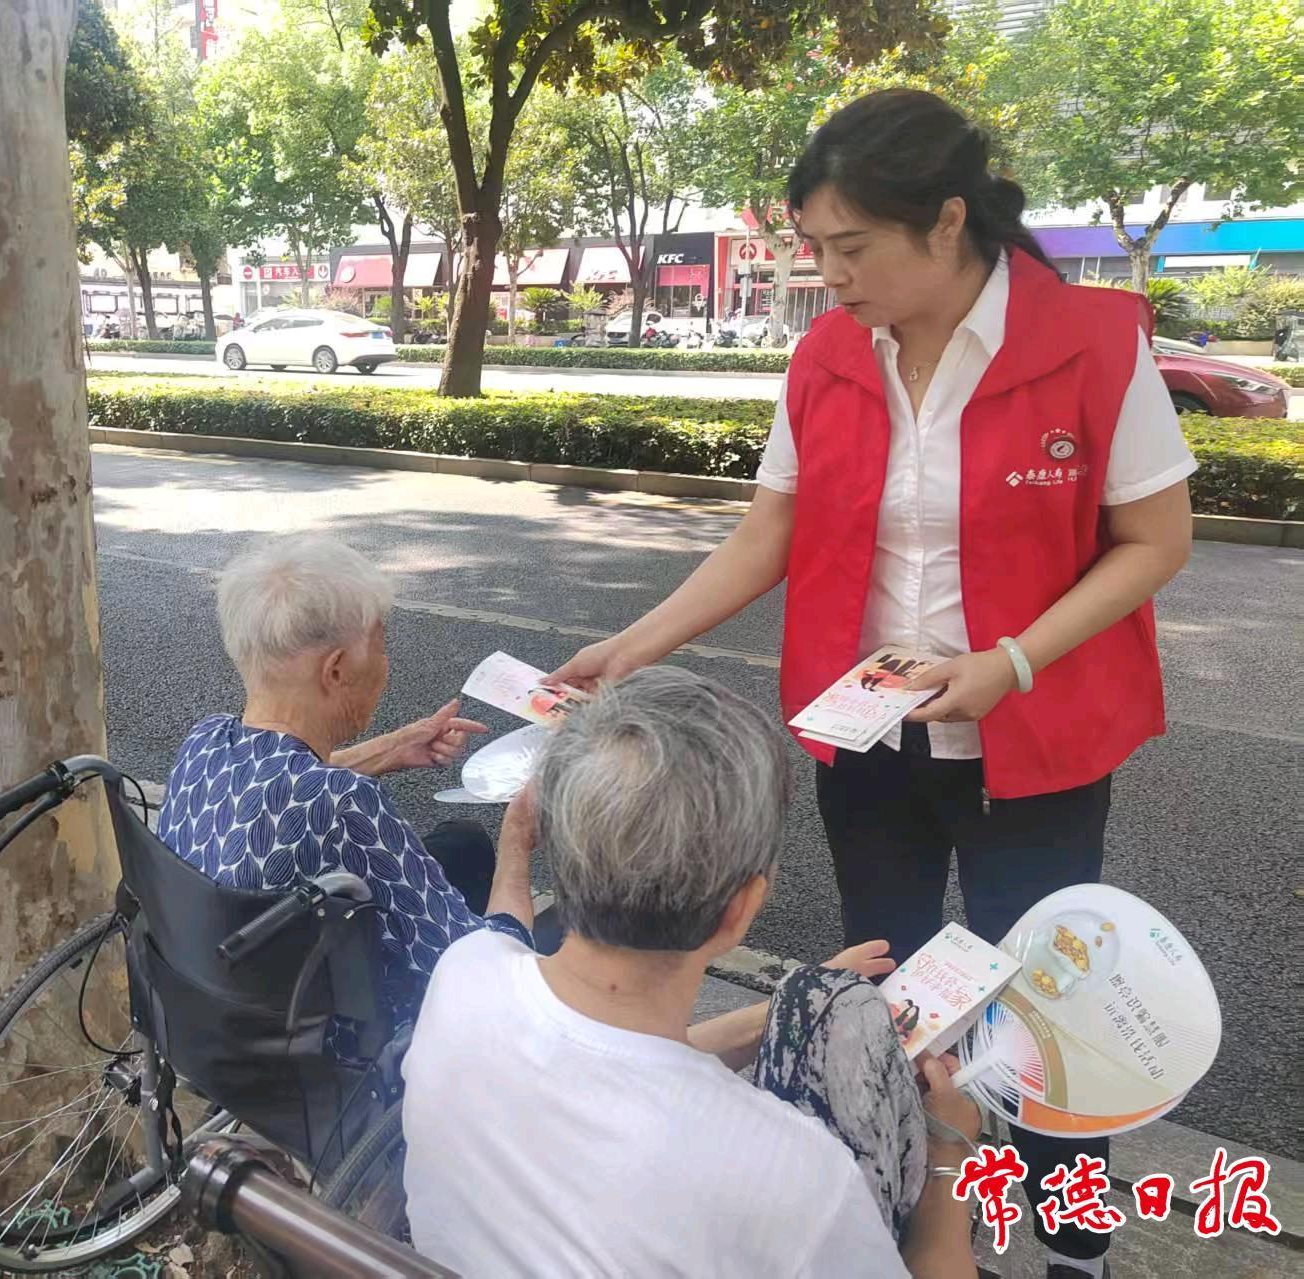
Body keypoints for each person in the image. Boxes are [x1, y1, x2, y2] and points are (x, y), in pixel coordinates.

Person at [553, 89, 1194, 1279]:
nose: (828, 276)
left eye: (849, 247)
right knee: (887, 995)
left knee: (1044, 1009)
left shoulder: (1093, 344)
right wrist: (630, 645)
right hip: (871, 741)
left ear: (944, 222)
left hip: (1032, 739)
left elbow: (1155, 542)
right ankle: (908, 1218)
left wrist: (1008, 662)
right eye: (815, 248)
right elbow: (767, 534)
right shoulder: (826, 356)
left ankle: (1071, 1247)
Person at [403, 668, 981, 1279]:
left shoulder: (463, 974)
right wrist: (950, 1160)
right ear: (739, 911)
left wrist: (790, 1009)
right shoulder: (798, 1179)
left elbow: (600, 1052)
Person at [159, 536, 535, 1057]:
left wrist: (390, 748)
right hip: (341, 1058)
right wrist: (518, 836)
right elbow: (488, 980)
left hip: (217, 1018)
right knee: (546, 929)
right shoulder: (343, 803)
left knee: (463, 845)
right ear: (335, 669)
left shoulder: (206, 741)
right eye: (380, 643)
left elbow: (282, 782)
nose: (386, 662)